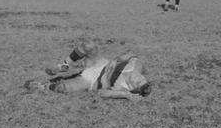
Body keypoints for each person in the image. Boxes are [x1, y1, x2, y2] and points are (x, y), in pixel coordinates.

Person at [24, 41, 152, 100]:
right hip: (101, 63)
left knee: (63, 88)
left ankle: (42, 87)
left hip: (91, 81)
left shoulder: (123, 88)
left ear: (132, 87)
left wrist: (125, 95)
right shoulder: (136, 67)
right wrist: (118, 58)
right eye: (141, 78)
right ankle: (64, 65)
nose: (138, 77)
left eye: (136, 81)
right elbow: (131, 55)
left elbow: (101, 93)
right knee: (88, 46)